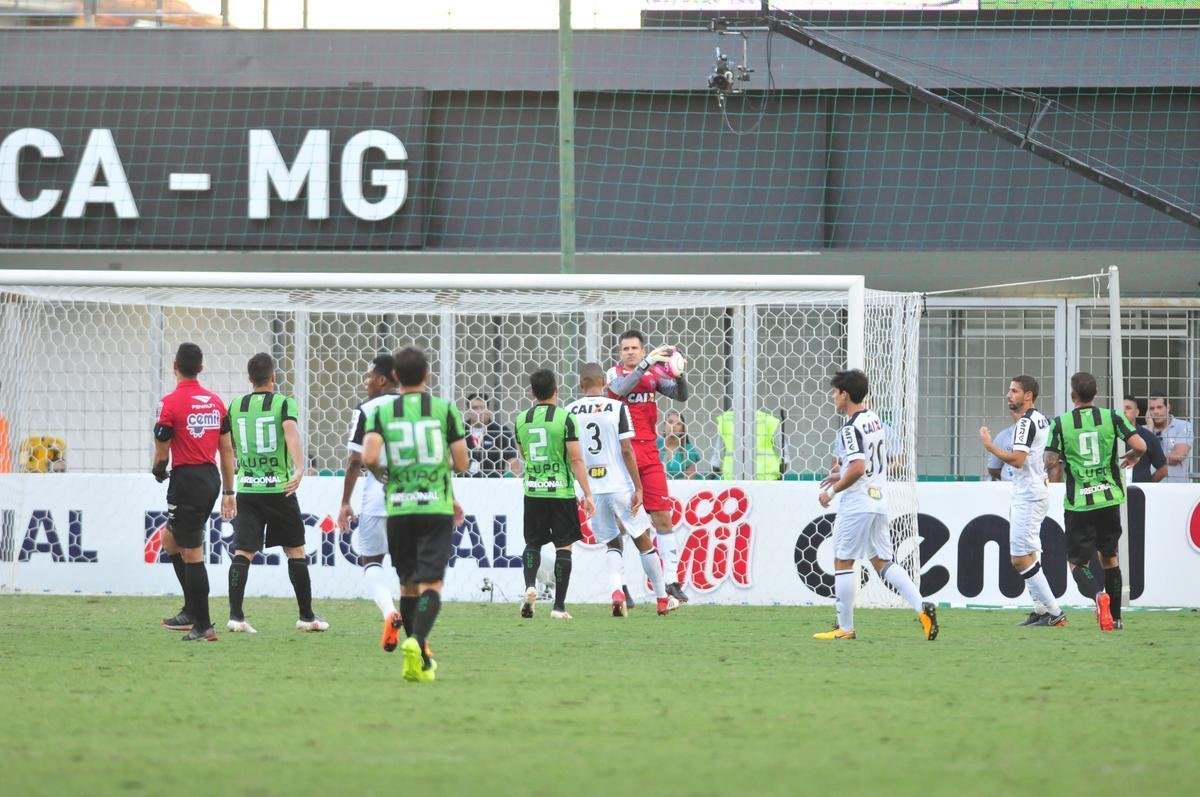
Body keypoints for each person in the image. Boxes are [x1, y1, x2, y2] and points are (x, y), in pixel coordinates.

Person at [361, 347, 469, 683]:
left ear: (394, 377)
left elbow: (368, 456)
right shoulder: (443, 409)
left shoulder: (381, 411)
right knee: (431, 584)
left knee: (407, 586)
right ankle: (418, 641)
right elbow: (462, 463)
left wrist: (386, 475)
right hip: (434, 506)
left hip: (399, 508)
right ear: (426, 376)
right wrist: (435, 469)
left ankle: (420, 661)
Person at [814, 369, 938, 642]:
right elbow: (867, 463)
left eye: (835, 392)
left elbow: (858, 468)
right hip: (879, 500)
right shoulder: (874, 420)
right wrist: (840, 472)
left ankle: (845, 628)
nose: (833, 397)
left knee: (843, 561)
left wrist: (832, 491)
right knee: (882, 561)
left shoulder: (849, 428)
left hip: (857, 502)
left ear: (845, 394)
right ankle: (922, 608)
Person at [225, 353, 328, 634]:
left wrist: (231, 484)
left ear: (250, 379)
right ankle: (307, 617)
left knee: (243, 551)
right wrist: (299, 468)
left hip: (247, 488)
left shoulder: (235, 406)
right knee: (295, 550)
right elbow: (290, 431)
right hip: (279, 489)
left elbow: (226, 443)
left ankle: (236, 617)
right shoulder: (284, 403)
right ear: (273, 378)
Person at [567, 363, 678, 617]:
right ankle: (662, 598)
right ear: (604, 383)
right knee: (643, 539)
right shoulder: (617, 407)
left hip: (592, 489)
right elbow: (627, 449)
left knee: (612, 542)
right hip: (619, 484)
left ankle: (617, 591)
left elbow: (571, 454)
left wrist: (582, 492)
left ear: (581, 384)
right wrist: (638, 487)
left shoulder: (570, 411)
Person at [1044, 372, 1146, 632]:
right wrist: (1133, 456)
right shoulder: (1112, 417)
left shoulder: (1060, 423)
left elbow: (1050, 461)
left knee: (1078, 563)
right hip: (1110, 499)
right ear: (1096, 392)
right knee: (1110, 559)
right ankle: (1117, 618)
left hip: (1080, 504)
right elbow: (1141, 445)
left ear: (1072, 396)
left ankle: (1098, 597)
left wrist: (1063, 460)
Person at [152, 343, 236, 642]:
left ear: (174, 366)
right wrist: (229, 490)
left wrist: (159, 470)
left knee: (192, 553)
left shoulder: (169, 403)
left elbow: (162, 450)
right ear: (201, 368)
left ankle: (203, 624)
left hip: (186, 479)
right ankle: (190, 609)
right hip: (211, 478)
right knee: (170, 540)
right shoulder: (215, 402)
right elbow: (226, 450)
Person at [606, 330, 690, 603]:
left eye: (634, 348)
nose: (629, 352)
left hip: (649, 452)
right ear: (621, 353)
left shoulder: (654, 377)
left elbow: (681, 396)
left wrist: (679, 374)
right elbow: (620, 389)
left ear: (642, 350)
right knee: (621, 523)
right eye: (625, 348)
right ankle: (622, 586)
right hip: (621, 452)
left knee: (662, 516)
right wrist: (647, 364)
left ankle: (671, 582)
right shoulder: (614, 374)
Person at [979, 376, 1065, 627]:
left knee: (1019, 558)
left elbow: (1017, 460)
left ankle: (1055, 612)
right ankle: (1040, 610)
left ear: (1028, 396)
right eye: (1009, 390)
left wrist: (989, 446)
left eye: (1014, 391)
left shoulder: (1027, 423)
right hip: (1035, 489)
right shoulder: (1041, 419)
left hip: (1028, 493)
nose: (1009, 395)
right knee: (1030, 554)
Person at [515, 368, 595, 621]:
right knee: (564, 546)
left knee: (533, 543)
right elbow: (576, 458)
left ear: (532, 393)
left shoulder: (521, 419)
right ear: (556, 391)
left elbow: (523, 454)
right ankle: (558, 607)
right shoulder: (565, 418)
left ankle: (530, 586)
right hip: (560, 492)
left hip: (534, 491)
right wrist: (588, 493)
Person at [338, 354, 404, 649]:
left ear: (382, 379)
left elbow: (355, 461)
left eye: (368, 377)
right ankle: (417, 634)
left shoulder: (366, 408)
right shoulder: (420, 407)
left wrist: (344, 502)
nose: (366, 383)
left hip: (377, 497)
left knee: (371, 560)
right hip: (415, 498)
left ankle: (389, 611)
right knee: (409, 566)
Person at [712, 408, 782, 480]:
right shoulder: (769, 420)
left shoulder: (769, 421)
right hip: (763, 478)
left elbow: (716, 458)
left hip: (763, 479)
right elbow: (784, 456)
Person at [464, 392, 520, 477]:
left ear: (488, 410)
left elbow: (513, 462)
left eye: (483, 408)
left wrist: (512, 484)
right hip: (463, 483)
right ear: (468, 411)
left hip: (494, 485)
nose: (479, 411)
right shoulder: (460, 431)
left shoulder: (501, 431)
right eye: (475, 408)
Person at [1146, 394, 1193, 483]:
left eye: (1159, 407)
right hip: (1150, 488)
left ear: (1168, 408)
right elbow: (1139, 459)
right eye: (1152, 409)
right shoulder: (1143, 430)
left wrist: (1151, 458)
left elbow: (1178, 456)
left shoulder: (1183, 426)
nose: (1156, 412)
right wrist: (1150, 430)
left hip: (1177, 488)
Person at [1122, 395, 1167, 483]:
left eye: (1128, 408)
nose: (1123, 411)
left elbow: (1163, 469)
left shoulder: (1148, 436)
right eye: (1120, 408)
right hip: (1113, 492)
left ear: (1137, 412)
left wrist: (1147, 484)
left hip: (1140, 491)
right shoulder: (1108, 435)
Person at [658, 410, 701, 480]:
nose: (673, 426)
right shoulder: (655, 446)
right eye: (670, 422)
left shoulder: (689, 450)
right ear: (664, 425)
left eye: (678, 424)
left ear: (682, 429)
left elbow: (689, 479)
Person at [985, 409, 1021, 482]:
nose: (1022, 415)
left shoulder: (1043, 433)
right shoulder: (1003, 436)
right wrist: (1007, 479)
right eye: (1017, 411)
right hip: (1009, 487)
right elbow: (993, 468)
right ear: (1012, 413)